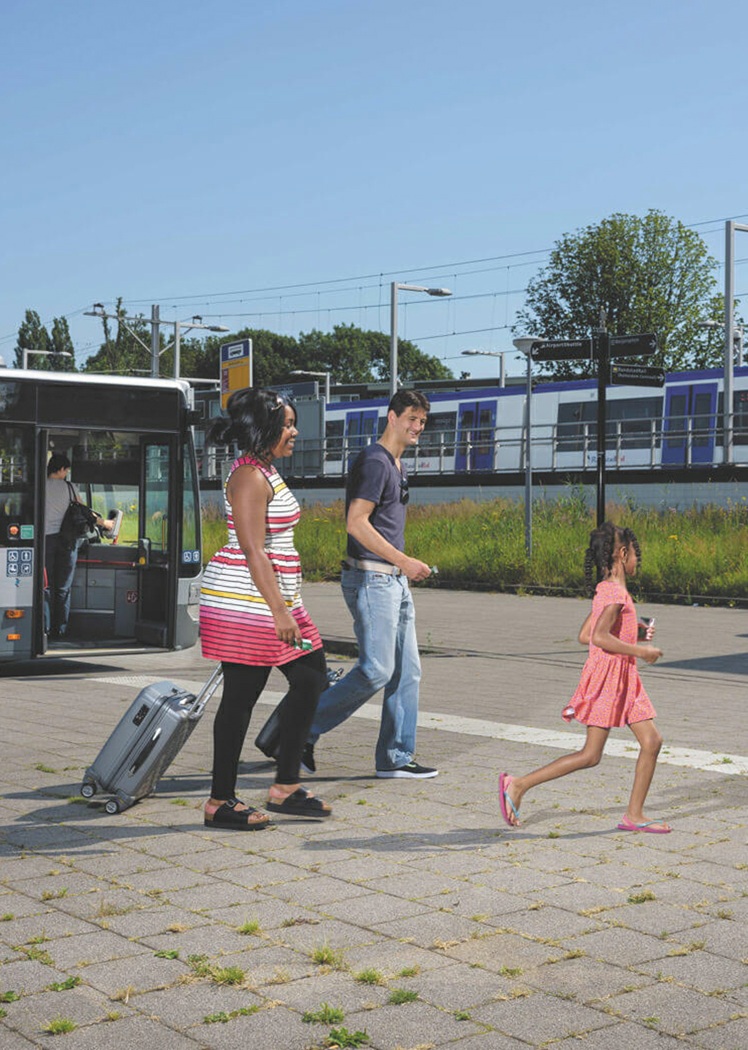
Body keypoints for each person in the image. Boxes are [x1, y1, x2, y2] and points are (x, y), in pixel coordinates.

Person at [199, 388, 332, 830]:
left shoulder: (264, 470)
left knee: (311, 677)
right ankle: (220, 802)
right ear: (264, 428)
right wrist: (279, 611)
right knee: (241, 698)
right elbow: (254, 550)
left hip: (272, 596)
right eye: (288, 424)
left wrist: (287, 601)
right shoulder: (249, 478)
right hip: (248, 600)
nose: (295, 432)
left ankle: (285, 787)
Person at [499, 521, 670, 833]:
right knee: (591, 755)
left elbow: (584, 635)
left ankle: (635, 814)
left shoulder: (606, 590)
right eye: (635, 554)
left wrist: (637, 633)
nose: (637, 561)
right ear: (621, 553)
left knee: (652, 741)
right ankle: (518, 785)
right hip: (610, 680)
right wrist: (640, 651)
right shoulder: (616, 594)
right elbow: (600, 637)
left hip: (623, 680)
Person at [303, 389, 438, 779]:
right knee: (377, 669)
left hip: (393, 582)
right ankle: (297, 730)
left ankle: (395, 758)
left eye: (422, 422)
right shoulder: (376, 462)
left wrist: (403, 569)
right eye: (411, 419)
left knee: (407, 672)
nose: (417, 428)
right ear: (391, 417)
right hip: (372, 578)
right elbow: (355, 522)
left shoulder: (396, 464)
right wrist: (404, 561)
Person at [44, 453, 113, 640]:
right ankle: (60, 630)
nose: (66, 473)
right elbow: (85, 512)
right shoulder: (69, 488)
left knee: (45, 586)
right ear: (60, 470)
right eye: (66, 470)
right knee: (62, 588)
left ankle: (44, 627)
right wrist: (106, 523)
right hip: (67, 542)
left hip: (45, 542)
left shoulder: (39, 486)